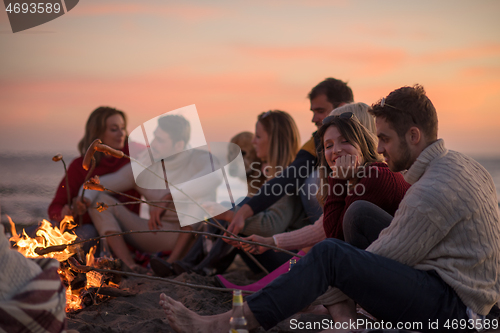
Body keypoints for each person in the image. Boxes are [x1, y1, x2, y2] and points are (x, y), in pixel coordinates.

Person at [159, 85, 500, 333]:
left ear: (414, 135)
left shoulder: (429, 193)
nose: (380, 148)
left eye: (385, 139)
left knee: (329, 256)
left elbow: (365, 262)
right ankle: (341, 320)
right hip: (473, 301)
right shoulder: (463, 166)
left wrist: (307, 288)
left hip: (457, 312)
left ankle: (225, 324)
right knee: (333, 253)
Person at [218, 102, 410, 292]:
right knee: (311, 248)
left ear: (361, 134)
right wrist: (271, 242)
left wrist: (338, 178)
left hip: (392, 277)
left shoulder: (376, 177)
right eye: (329, 144)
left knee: (317, 249)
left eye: (345, 139)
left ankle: (272, 288)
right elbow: (323, 229)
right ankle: (268, 286)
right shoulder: (359, 176)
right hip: (373, 265)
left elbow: (334, 238)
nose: (336, 150)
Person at [156, 110, 310, 277]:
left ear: (273, 141)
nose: (253, 141)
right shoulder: (276, 175)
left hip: (289, 261)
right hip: (269, 255)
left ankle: (199, 269)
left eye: (258, 137)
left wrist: (228, 215)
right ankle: (192, 266)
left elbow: (270, 226)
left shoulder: (287, 178)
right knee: (234, 210)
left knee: (239, 207)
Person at [81, 114, 221, 273]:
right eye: (154, 137)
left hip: (195, 239)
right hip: (160, 234)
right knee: (99, 199)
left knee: (198, 204)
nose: (152, 144)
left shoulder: (201, 159)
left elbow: (214, 177)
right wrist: (84, 199)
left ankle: (171, 263)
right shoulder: (146, 162)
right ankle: (129, 266)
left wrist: (170, 196)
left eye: (160, 140)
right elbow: (105, 182)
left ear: (179, 145)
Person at [227, 78, 354, 237]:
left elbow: (287, 180)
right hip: (325, 224)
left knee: (313, 180)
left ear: (342, 108)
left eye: (320, 111)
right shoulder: (316, 142)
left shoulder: (364, 138)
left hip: (351, 224)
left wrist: (236, 214)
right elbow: (291, 174)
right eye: (313, 112)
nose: (313, 119)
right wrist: (242, 212)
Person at [47, 106, 140, 246]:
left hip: (124, 232)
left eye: (123, 128)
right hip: (88, 228)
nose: (121, 133)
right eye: (114, 129)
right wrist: (65, 213)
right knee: (35, 233)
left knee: (87, 234)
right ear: (98, 133)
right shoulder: (79, 166)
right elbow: (55, 207)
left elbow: (162, 160)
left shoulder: (133, 155)